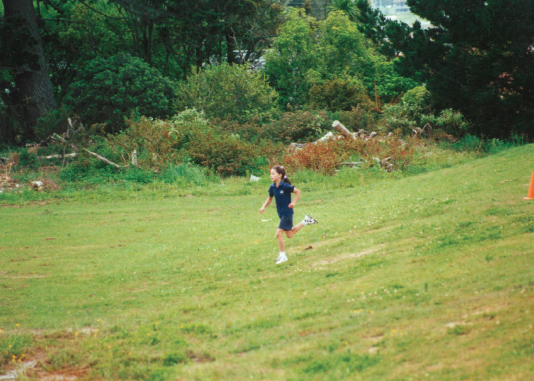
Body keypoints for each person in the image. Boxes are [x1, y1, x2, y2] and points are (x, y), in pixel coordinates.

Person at [259, 165, 317, 264]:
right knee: (289, 234)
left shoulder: (285, 186)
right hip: (280, 213)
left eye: (273, 174)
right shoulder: (272, 187)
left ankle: (283, 256)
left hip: (287, 213)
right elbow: (269, 199)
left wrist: (293, 202)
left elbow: (297, 191)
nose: (271, 176)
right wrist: (263, 207)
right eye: (270, 174)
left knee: (278, 234)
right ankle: (305, 221)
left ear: (280, 175)